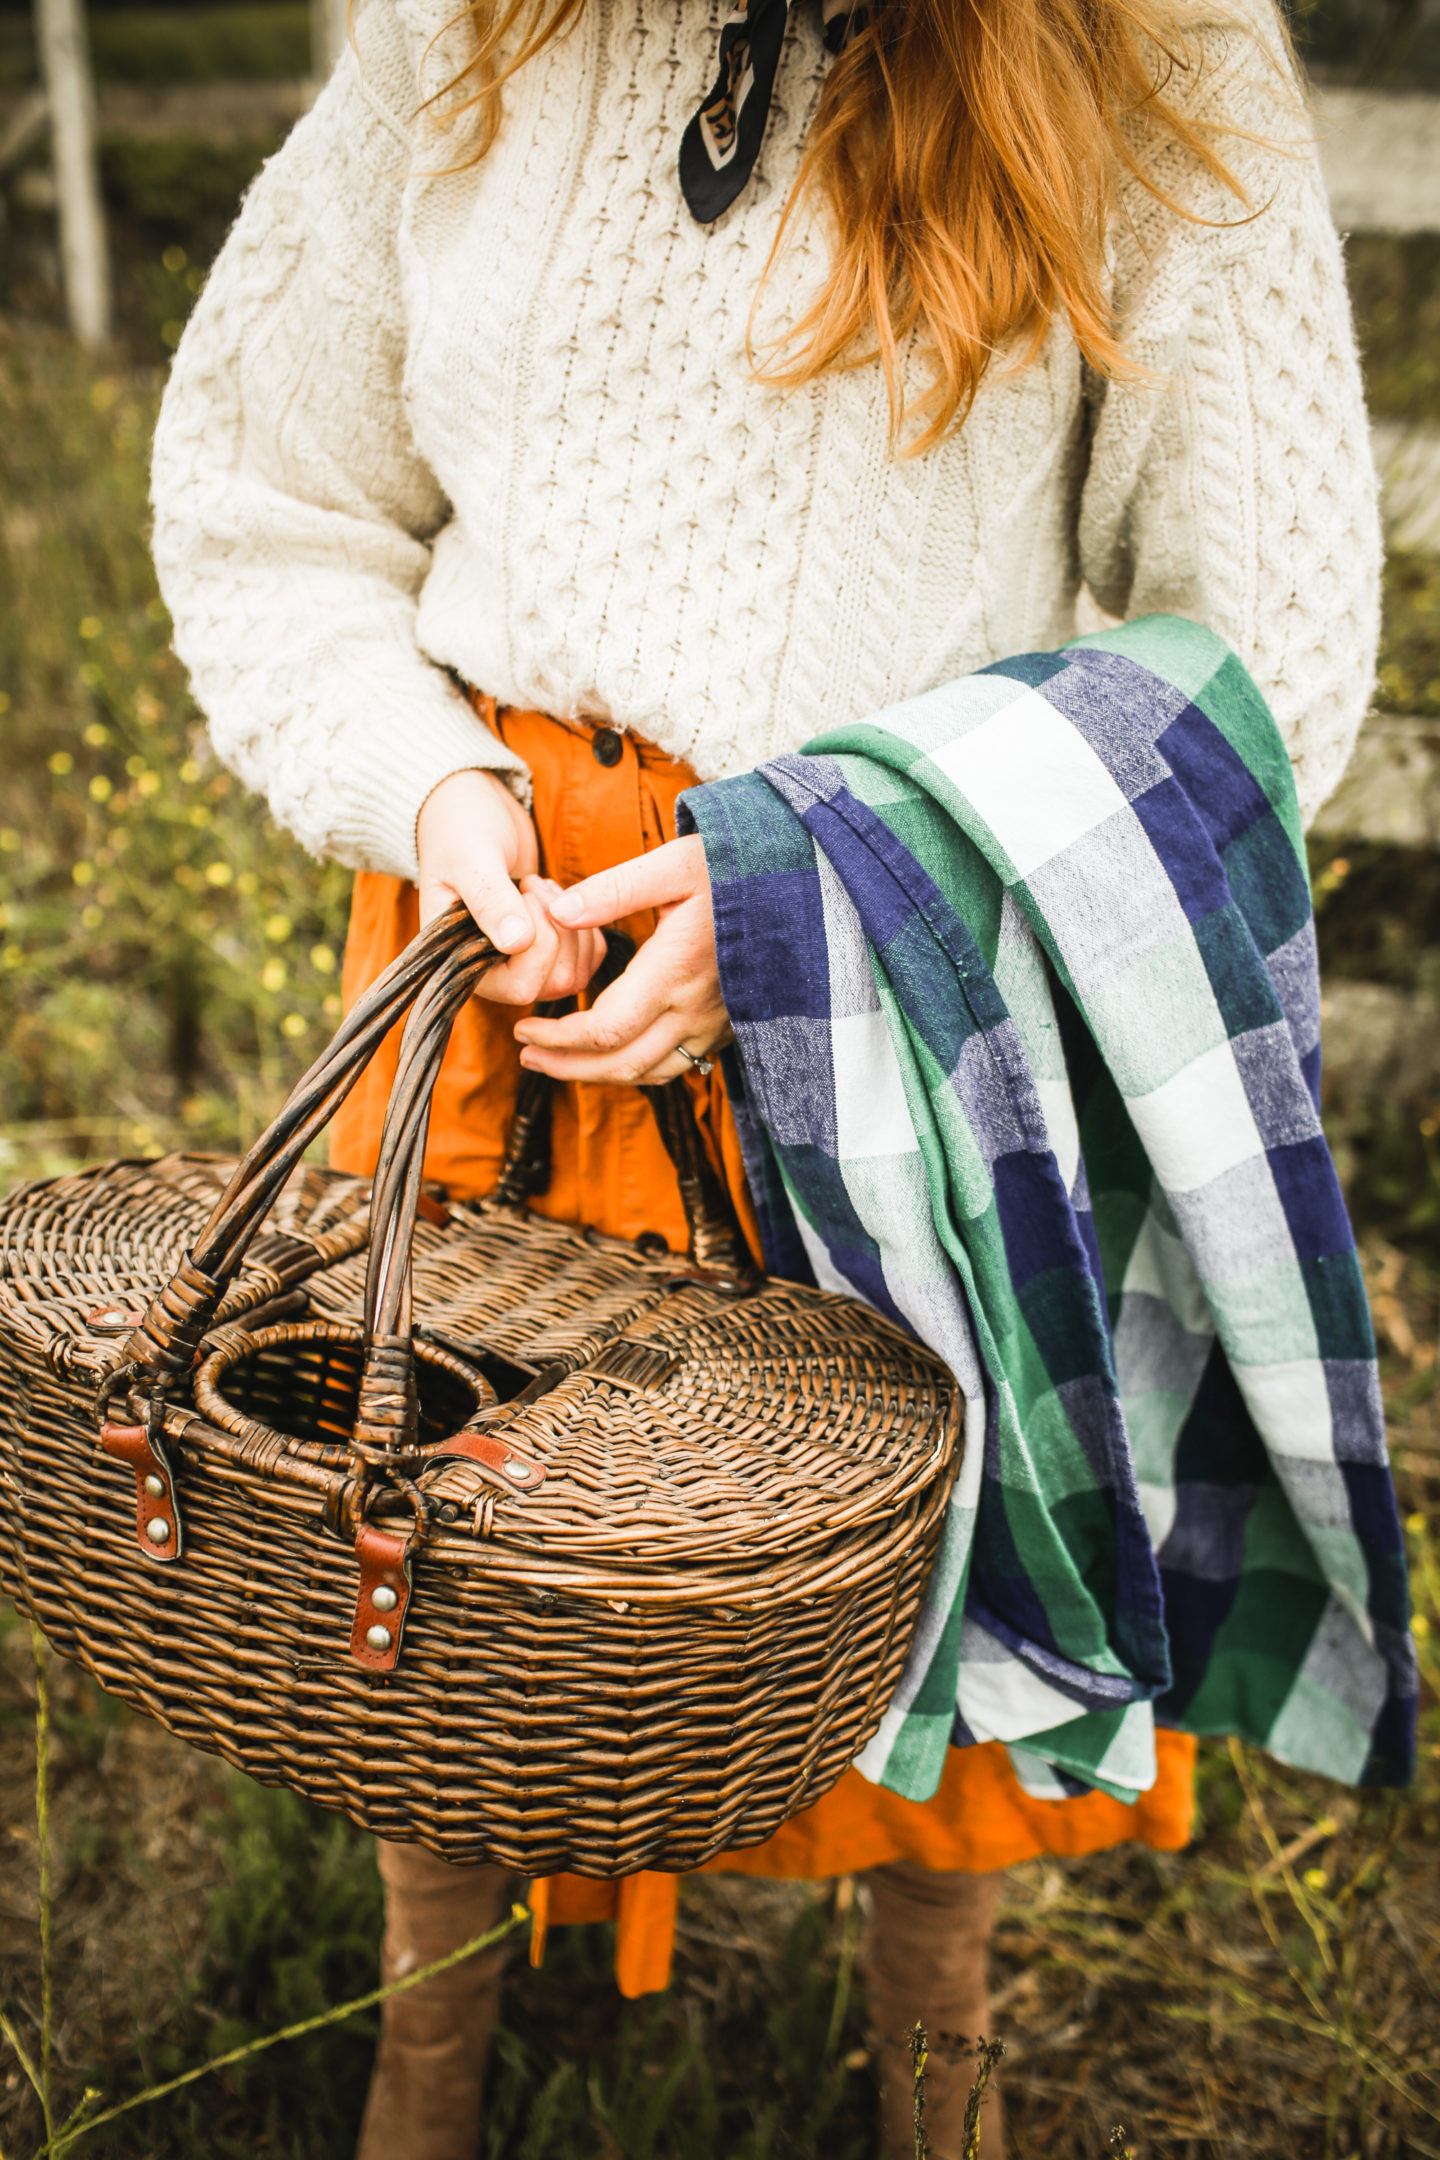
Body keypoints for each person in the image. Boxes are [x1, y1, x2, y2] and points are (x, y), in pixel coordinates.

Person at [147, 0, 1382, 2149]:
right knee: (425, 1549)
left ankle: (942, 2095)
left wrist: (835, 892)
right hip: (496, 949)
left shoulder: (1162, 47)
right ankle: (418, 2095)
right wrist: (430, 782)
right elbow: (269, 491)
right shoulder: (466, 21)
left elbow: (1268, 656)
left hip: (906, 980)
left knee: (918, 1592)